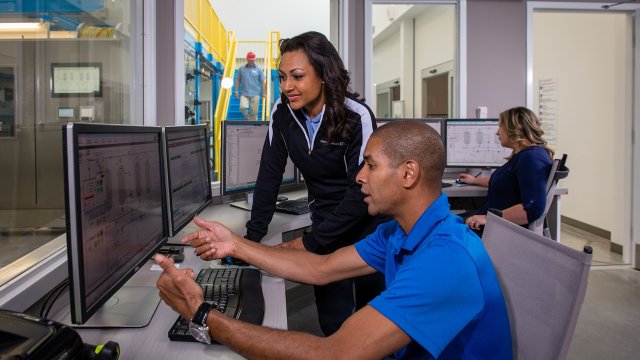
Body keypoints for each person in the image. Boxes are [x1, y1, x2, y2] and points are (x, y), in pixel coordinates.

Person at [155, 120, 513, 359]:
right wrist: (236, 244)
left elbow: (335, 354)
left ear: (408, 174)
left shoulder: (447, 259)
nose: (359, 177)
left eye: (370, 165)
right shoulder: (398, 232)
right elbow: (322, 268)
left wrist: (202, 315)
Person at [241, 31, 386, 336]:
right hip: (325, 223)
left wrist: (309, 242)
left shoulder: (355, 116)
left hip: (365, 226)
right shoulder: (282, 116)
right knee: (333, 320)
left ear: (323, 74)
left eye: (297, 76)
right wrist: (251, 241)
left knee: (373, 320)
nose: (287, 87)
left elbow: (361, 191)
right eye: (282, 77)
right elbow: (269, 176)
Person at [459, 106, 554, 232]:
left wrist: (487, 218)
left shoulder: (531, 159)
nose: (497, 132)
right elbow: (507, 182)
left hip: (499, 229)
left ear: (514, 129)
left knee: (440, 229)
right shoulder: (526, 155)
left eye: (500, 127)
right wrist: (474, 181)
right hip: (495, 222)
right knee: (443, 223)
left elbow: (532, 208)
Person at [234, 51, 266, 120]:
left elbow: (263, 81)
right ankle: (249, 119)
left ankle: (253, 124)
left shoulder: (259, 69)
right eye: (249, 60)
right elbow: (238, 79)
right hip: (244, 93)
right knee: (242, 107)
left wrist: (264, 93)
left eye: (252, 60)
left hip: (255, 93)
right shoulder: (241, 69)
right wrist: (236, 91)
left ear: (254, 59)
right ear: (247, 59)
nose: (251, 61)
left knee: (254, 112)